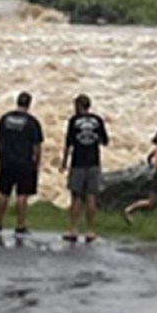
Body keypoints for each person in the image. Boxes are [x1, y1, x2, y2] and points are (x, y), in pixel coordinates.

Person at [59, 94, 109, 243]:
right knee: (91, 196)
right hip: (94, 161)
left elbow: (68, 143)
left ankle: (74, 229)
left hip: (78, 162)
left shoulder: (73, 121)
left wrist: (63, 162)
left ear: (78, 106)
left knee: (76, 197)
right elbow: (105, 141)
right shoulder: (98, 120)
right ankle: (90, 231)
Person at [0, 92, 43, 239]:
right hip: (25, 163)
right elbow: (36, 146)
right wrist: (37, 163)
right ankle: (19, 226)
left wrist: (0, 157)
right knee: (22, 195)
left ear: (17, 102)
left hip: (7, 161)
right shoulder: (32, 122)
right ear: (29, 104)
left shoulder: (5, 118)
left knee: (3, 193)